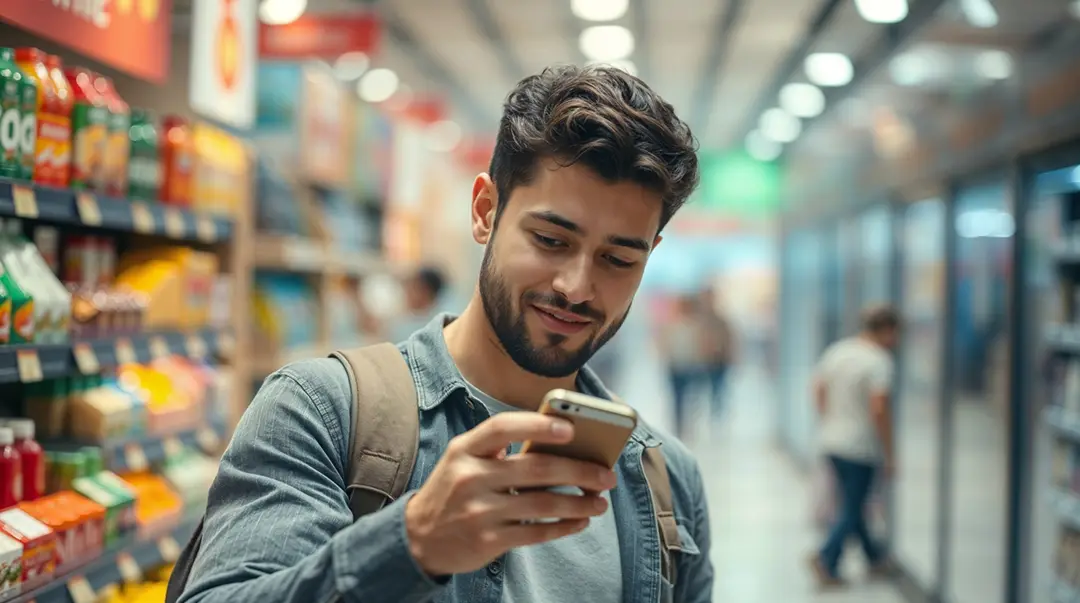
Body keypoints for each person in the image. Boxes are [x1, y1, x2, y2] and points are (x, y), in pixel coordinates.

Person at [176, 65, 711, 603]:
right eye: (550, 240)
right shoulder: (321, 413)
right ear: (485, 211)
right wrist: (410, 545)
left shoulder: (669, 484)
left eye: (618, 259)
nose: (576, 287)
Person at [809, 304, 900, 586]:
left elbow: (818, 390)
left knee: (854, 504)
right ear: (886, 331)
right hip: (860, 446)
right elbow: (879, 409)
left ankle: (874, 558)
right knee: (853, 506)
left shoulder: (838, 351)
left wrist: (831, 420)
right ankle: (826, 556)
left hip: (832, 439)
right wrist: (890, 450)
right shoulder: (878, 361)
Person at [697, 286, 736, 420]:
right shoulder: (698, 320)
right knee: (699, 393)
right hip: (701, 362)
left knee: (718, 391)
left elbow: (728, 339)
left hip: (719, 361)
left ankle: (716, 417)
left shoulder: (720, 320)